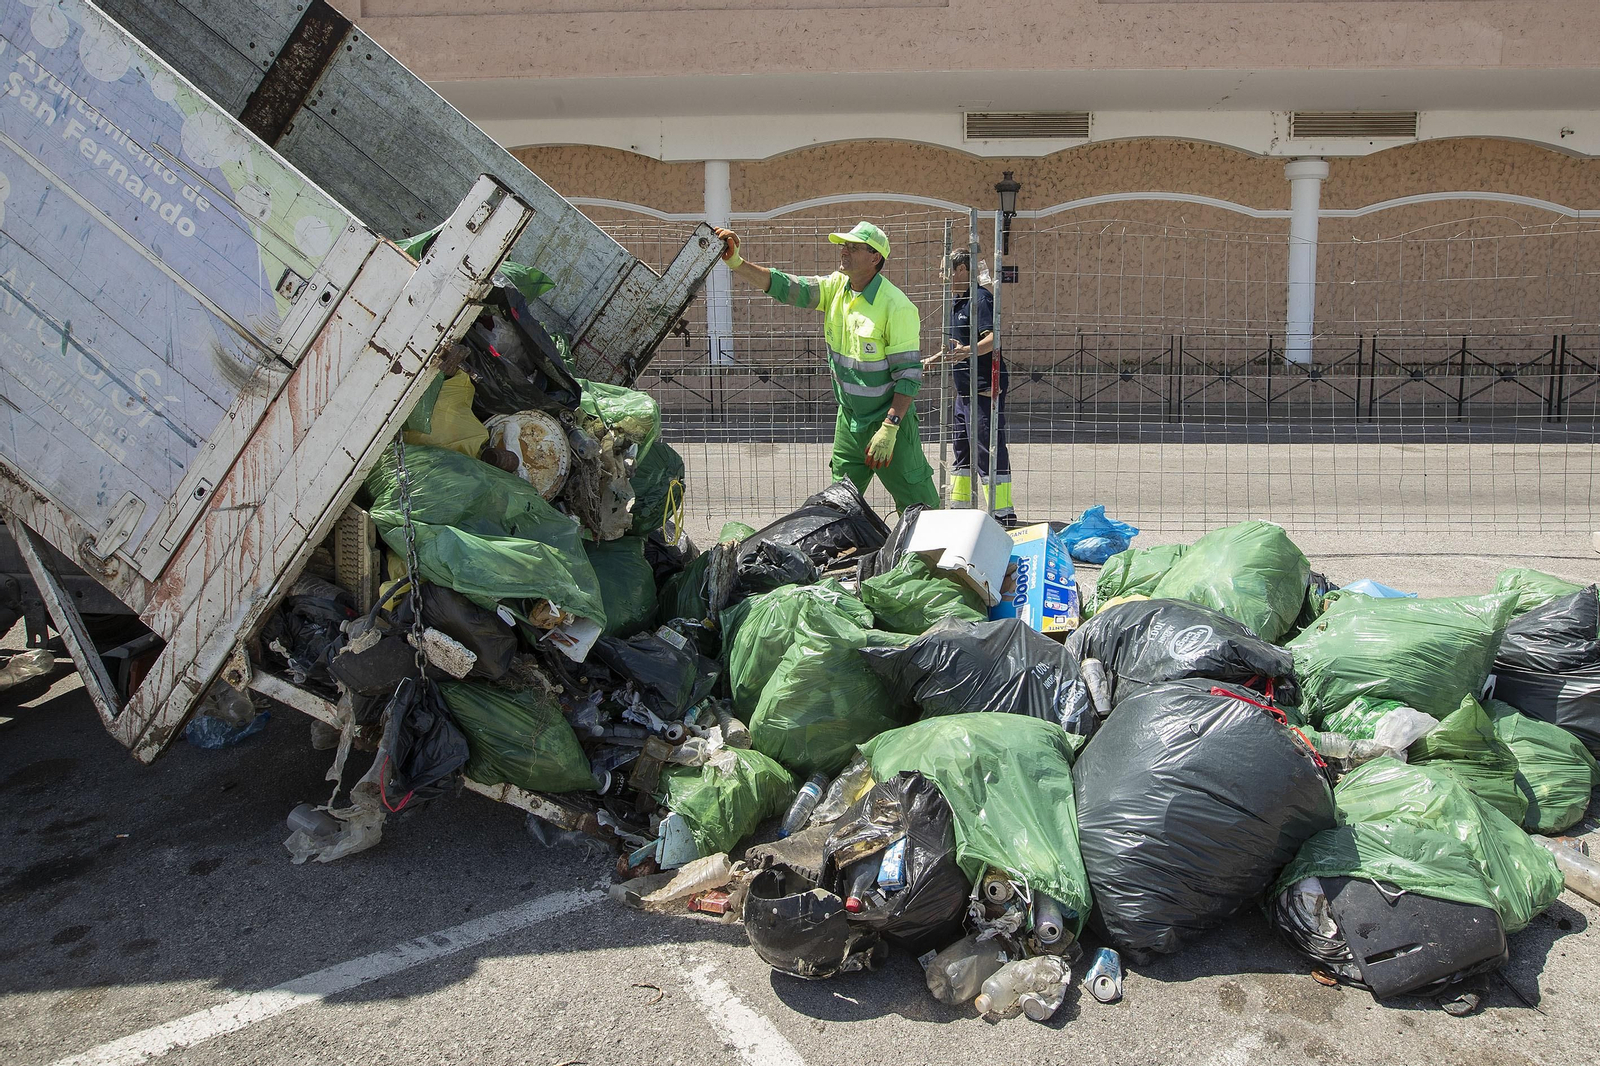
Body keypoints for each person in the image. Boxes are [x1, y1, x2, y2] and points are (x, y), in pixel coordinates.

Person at [712, 221, 940, 513]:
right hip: (849, 422)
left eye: (853, 247)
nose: (844, 251)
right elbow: (787, 287)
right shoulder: (835, 288)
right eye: (844, 245)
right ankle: (849, 557)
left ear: (875, 258)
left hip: (886, 425)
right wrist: (736, 263)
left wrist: (890, 427)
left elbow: (908, 375)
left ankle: (926, 558)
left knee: (919, 507)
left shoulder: (896, 306)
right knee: (838, 506)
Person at [926, 249, 1014, 523]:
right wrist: (937, 357)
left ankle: (1002, 514)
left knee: (988, 450)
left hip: (984, 389)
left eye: (945, 270)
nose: (941, 276)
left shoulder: (980, 299)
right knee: (962, 451)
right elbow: (958, 345)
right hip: (964, 392)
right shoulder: (957, 301)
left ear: (962, 269)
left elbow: (992, 339)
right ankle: (960, 510)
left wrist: (966, 352)